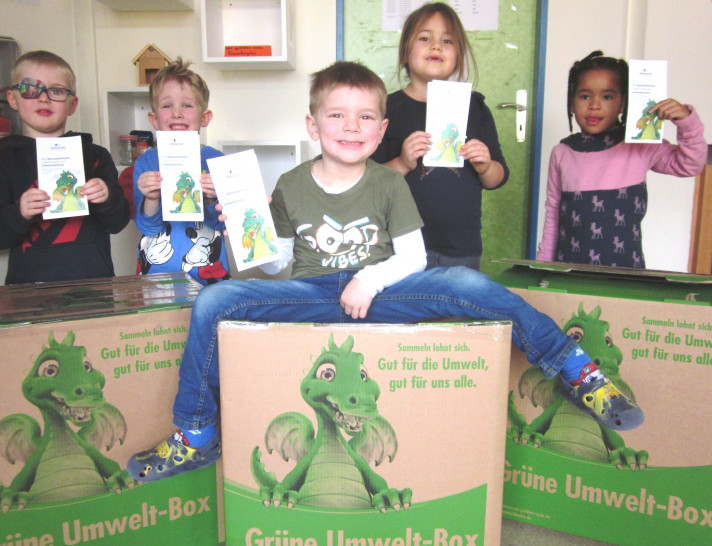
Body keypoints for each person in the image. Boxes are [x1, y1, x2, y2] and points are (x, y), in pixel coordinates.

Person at [127, 61, 644, 484]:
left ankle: (578, 370)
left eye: (364, 118)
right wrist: (247, 227)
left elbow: (413, 257)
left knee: (467, 284)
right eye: (336, 116)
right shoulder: (288, 183)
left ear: (381, 131)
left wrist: (368, 279)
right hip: (313, 293)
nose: (350, 128)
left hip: (382, 290)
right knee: (214, 301)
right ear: (313, 125)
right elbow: (276, 262)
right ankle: (195, 435)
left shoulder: (389, 184)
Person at [371, 2, 508, 271]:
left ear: (458, 55)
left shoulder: (475, 108)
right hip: (397, 250)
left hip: (460, 247)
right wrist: (402, 163)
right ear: (405, 54)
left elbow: (497, 178)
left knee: (453, 313)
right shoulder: (387, 109)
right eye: (425, 38)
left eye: (447, 40)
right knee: (402, 312)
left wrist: (485, 165)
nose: (436, 46)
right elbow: (367, 182)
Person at [537, 50, 706, 268]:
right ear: (571, 102)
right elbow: (553, 214)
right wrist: (542, 266)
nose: (595, 105)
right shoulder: (562, 152)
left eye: (607, 97)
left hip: (625, 272)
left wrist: (686, 121)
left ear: (623, 104)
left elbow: (690, 165)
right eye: (585, 96)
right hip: (568, 271)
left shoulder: (640, 146)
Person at [0, 50, 129, 285]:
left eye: (57, 91)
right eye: (31, 89)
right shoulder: (2, 163)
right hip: (27, 291)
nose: (44, 98)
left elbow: (118, 222)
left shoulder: (95, 156)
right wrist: (19, 212)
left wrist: (107, 197)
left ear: (72, 104)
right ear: (13, 99)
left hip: (94, 286)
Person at [134, 57, 230, 286]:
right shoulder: (145, 163)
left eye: (187, 105)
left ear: (204, 117)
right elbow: (148, 226)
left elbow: (222, 224)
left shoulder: (217, 161)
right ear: (154, 119)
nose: (177, 113)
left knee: (211, 320)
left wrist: (210, 198)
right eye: (167, 106)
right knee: (157, 323)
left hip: (210, 270)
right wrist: (151, 198)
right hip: (157, 271)